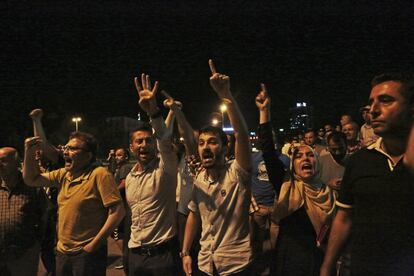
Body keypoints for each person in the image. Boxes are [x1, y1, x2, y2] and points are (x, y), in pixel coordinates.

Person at [320, 72, 414, 276]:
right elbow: (344, 217)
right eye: (371, 103)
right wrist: (327, 266)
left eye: (386, 101)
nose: (373, 110)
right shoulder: (360, 161)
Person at [181, 60, 252, 276]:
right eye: (202, 143)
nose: (205, 148)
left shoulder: (237, 173)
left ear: (224, 146)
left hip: (235, 265)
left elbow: (241, 135)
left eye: (212, 142)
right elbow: (194, 214)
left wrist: (225, 94)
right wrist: (185, 252)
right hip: (205, 263)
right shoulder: (199, 178)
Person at [256, 88, 336, 276]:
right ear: (293, 164)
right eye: (298, 156)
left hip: (317, 261)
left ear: (317, 161)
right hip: (287, 260)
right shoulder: (285, 184)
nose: (305, 158)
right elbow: (268, 151)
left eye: (310, 155)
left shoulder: (329, 193)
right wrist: (264, 112)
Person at [23, 131, 125, 276]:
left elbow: (118, 212)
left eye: (73, 148)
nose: (65, 151)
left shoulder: (99, 174)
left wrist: (93, 245)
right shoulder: (64, 174)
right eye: (66, 147)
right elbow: (31, 180)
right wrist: (29, 151)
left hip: (87, 253)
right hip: (63, 252)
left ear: (88, 155)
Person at [126, 73, 180, 276]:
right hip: (135, 255)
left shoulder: (165, 170)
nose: (143, 145)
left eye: (148, 141)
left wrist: (154, 112)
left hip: (162, 258)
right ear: (131, 147)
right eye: (138, 141)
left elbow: (165, 139)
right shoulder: (130, 178)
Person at [0, 147, 46, 276]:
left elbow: (45, 217)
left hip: (24, 255)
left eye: (3, 161)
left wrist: (36, 245)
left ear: (17, 163)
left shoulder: (32, 187)